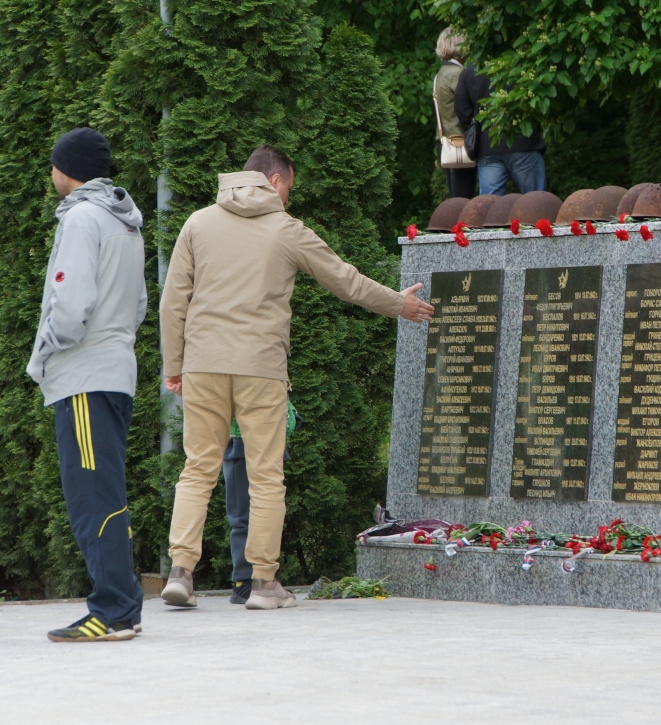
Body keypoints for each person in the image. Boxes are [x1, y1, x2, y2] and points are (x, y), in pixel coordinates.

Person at [159, 145, 434, 610]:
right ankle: (264, 585)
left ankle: (180, 573)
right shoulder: (287, 230)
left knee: (197, 469)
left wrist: (174, 366)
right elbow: (345, 279)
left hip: (202, 364)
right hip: (261, 368)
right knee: (266, 476)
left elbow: (172, 304)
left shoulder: (197, 223)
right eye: (289, 186)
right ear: (275, 180)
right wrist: (397, 303)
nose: (288, 197)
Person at [27, 127, 146, 641]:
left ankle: (114, 609)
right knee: (106, 490)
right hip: (115, 369)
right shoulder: (125, 221)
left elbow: (70, 307)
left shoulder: (80, 217)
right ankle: (122, 606)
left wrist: (46, 353)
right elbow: (139, 304)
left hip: (81, 375)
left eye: (53, 164)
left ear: (66, 169)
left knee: (90, 497)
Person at [223, 400, 298, 604]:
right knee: (246, 516)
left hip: (240, 440)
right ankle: (249, 581)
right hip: (251, 440)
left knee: (243, 517)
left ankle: (248, 581)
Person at [454, 63, 547, 196]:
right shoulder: (521, 62)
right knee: (536, 201)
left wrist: (477, 127)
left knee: (489, 206)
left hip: (487, 144)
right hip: (523, 142)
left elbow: (460, 108)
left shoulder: (469, 71)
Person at [433, 27, 476, 200]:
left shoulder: (442, 73)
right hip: (459, 142)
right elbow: (466, 106)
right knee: (463, 201)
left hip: (446, 141)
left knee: (456, 198)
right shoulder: (456, 74)